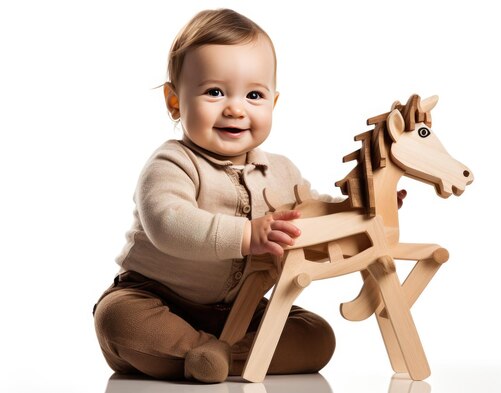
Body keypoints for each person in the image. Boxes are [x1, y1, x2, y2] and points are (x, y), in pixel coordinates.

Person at [92, 9, 337, 383]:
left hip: (241, 310)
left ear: (274, 103)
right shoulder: (173, 162)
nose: (235, 108)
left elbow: (311, 212)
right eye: (214, 92)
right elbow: (168, 223)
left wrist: (363, 206)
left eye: (254, 94)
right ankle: (196, 350)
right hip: (155, 299)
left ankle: (213, 355)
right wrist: (247, 235)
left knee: (317, 337)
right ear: (174, 102)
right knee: (117, 320)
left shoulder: (282, 171)